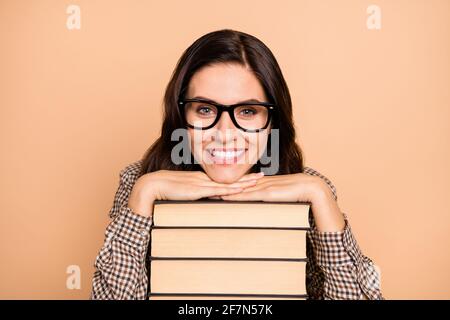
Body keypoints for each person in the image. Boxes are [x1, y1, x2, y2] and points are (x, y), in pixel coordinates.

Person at [90, 29, 383, 300]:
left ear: (273, 122)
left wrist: (321, 196)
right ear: (181, 117)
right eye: (205, 109)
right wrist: (144, 192)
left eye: (247, 111)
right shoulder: (139, 182)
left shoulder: (308, 189)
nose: (226, 134)